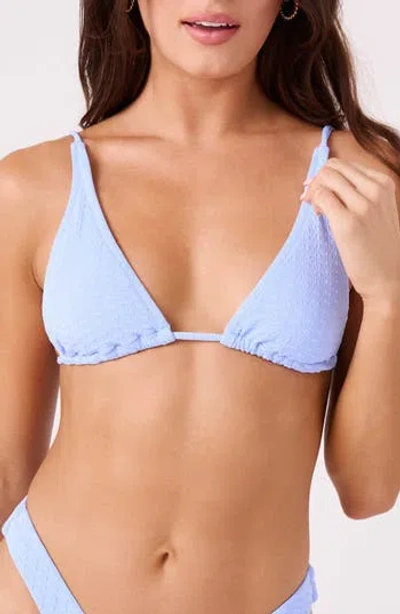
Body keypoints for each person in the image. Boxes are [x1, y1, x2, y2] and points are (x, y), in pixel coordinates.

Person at [1, 1, 400, 613]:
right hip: (37, 592)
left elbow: (368, 492)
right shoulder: (33, 186)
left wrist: (388, 295)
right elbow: (7, 469)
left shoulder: (364, 181)